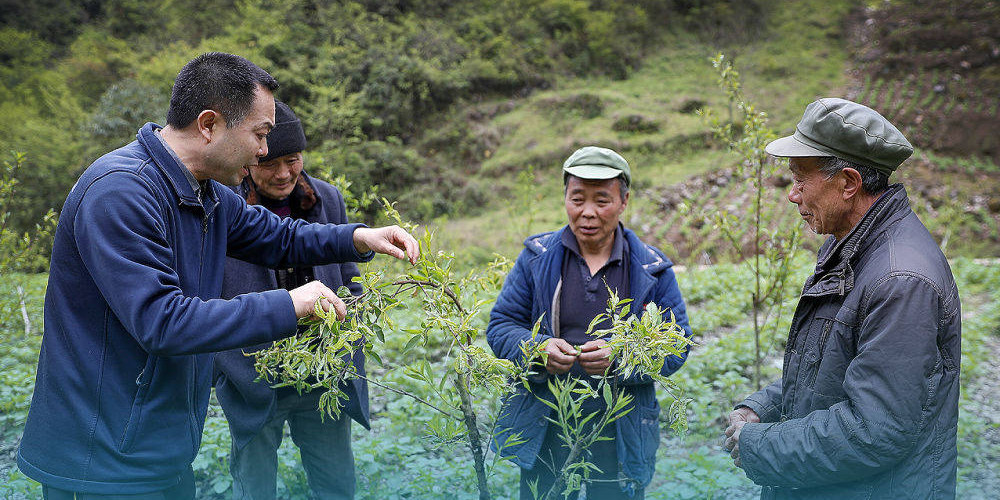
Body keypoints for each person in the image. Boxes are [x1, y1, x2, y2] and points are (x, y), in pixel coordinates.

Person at [17, 52, 418, 499]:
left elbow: (277, 237)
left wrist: (359, 236)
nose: (265, 151)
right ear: (209, 125)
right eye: (260, 134)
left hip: (156, 447)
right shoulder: (120, 192)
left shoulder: (202, 191)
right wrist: (289, 304)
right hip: (99, 459)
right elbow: (162, 321)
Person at [724, 98, 961, 499]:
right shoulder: (851, 246)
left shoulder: (899, 280)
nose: (792, 195)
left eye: (801, 179)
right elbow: (833, 369)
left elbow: (874, 429)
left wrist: (758, 443)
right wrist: (763, 407)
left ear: (848, 183)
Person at [487, 146, 693, 499]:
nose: (587, 213)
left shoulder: (651, 268)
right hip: (548, 422)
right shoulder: (537, 258)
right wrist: (537, 349)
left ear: (624, 201)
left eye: (602, 200)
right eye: (577, 198)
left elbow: (677, 343)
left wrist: (623, 357)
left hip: (619, 428)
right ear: (565, 198)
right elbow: (502, 323)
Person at [214, 100, 367, 499]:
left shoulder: (326, 199)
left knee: (336, 480)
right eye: (271, 163)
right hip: (254, 373)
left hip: (322, 372)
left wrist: (352, 311)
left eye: (293, 160)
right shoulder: (224, 206)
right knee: (254, 483)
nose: (284, 174)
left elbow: (348, 274)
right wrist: (224, 368)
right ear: (252, 156)